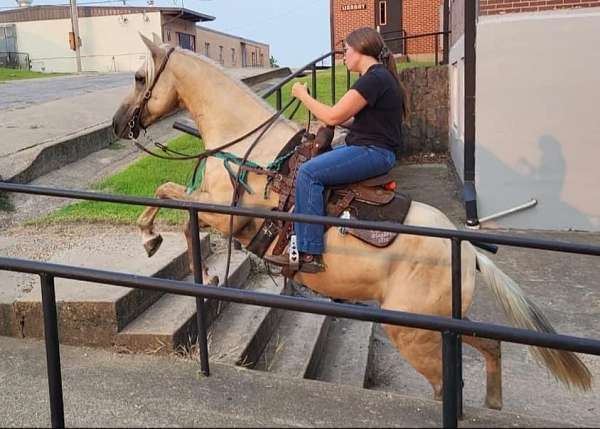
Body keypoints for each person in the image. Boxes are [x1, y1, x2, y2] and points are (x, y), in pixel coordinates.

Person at [265, 27, 408, 273]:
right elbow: (355, 121)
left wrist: (302, 96)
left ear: (361, 49)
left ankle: (309, 252)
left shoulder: (374, 78)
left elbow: (333, 113)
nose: (343, 55)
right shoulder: (379, 77)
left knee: (309, 173)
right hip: (371, 147)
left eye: (346, 50)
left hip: (373, 152)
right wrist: (334, 120)